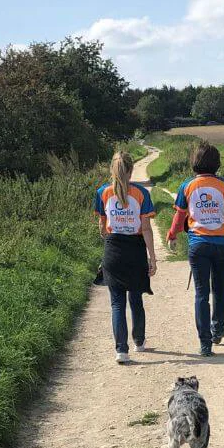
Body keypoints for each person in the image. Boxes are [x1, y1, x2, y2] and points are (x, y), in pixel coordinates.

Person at [167, 141, 224, 357]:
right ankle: (217, 329)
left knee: (201, 293)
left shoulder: (187, 186)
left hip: (198, 244)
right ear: (217, 164)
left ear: (195, 162)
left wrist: (172, 234)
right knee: (219, 288)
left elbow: (180, 215)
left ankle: (205, 344)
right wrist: (221, 215)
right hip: (223, 244)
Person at [94, 151, 158, 364]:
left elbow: (102, 227)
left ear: (112, 169)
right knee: (136, 299)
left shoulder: (102, 192)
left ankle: (121, 350)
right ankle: (139, 341)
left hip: (113, 248)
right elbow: (147, 229)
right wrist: (153, 258)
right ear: (130, 170)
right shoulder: (141, 194)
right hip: (136, 249)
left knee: (116, 303)